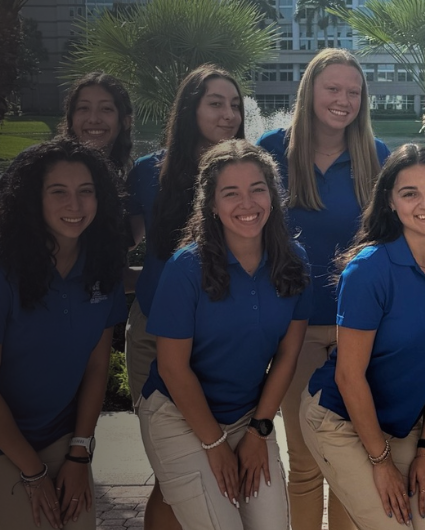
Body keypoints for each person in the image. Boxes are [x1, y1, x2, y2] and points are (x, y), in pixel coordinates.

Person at [0, 137, 131, 530]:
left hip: (56, 431)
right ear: (33, 200)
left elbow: (97, 369)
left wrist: (79, 454)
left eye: (85, 192)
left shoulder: (102, 268)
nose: (74, 205)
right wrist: (34, 473)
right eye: (58, 192)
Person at [298, 143, 425, 530]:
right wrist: (381, 463)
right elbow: (348, 376)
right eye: (409, 193)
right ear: (390, 202)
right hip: (339, 420)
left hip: (400, 426)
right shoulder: (369, 270)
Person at [139, 139, 310, 529]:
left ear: (273, 195)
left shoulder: (294, 260)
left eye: (257, 189)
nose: (247, 204)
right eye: (231, 193)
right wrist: (215, 446)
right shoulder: (186, 268)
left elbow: (288, 354)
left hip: (249, 415)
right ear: (211, 204)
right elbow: (172, 367)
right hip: (179, 415)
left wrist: (259, 430)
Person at [255, 48, 391, 530]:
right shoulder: (270, 152)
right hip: (297, 330)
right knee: (308, 462)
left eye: (353, 92)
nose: (343, 100)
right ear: (310, 90)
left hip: (362, 330)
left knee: (350, 465)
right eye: (333, 88)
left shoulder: (377, 158)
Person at [125, 64, 248, 529]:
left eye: (235, 105)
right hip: (154, 338)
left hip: (220, 345)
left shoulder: (249, 173)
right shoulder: (148, 173)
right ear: (190, 107)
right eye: (215, 103)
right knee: (171, 474)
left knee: (211, 463)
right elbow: (115, 243)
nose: (228, 114)